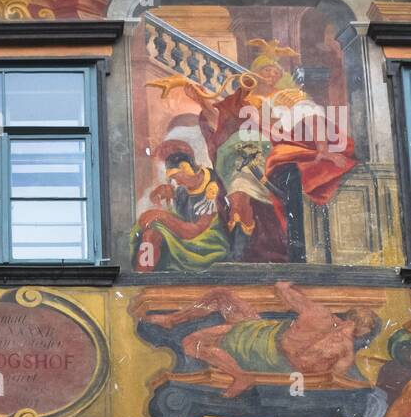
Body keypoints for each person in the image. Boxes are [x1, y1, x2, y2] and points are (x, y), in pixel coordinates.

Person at [151, 39, 356, 262]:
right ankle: (240, 242)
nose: (271, 75)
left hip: (274, 151)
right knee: (238, 188)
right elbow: (219, 123)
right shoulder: (241, 101)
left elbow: (312, 119)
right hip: (240, 153)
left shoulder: (288, 98)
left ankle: (247, 240)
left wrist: (321, 148)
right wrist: (201, 98)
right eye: (265, 70)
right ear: (255, 73)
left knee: (247, 180)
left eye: (274, 71)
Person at [157, 281, 379, 397]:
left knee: (192, 342)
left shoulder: (319, 313)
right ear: (363, 333)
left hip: (264, 351)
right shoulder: (347, 354)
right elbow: (329, 381)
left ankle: (241, 376)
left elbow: (281, 288)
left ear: (350, 313)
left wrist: (289, 283)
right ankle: (170, 320)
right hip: (265, 335)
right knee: (220, 299)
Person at [131, 140, 230, 272]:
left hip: (206, 246)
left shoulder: (212, 186)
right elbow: (177, 209)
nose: (174, 181)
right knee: (151, 233)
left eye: (174, 176)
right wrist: (161, 194)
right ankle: (142, 275)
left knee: (154, 229)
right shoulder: (183, 188)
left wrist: (161, 216)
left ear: (185, 168)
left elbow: (194, 230)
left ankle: (143, 276)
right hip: (185, 238)